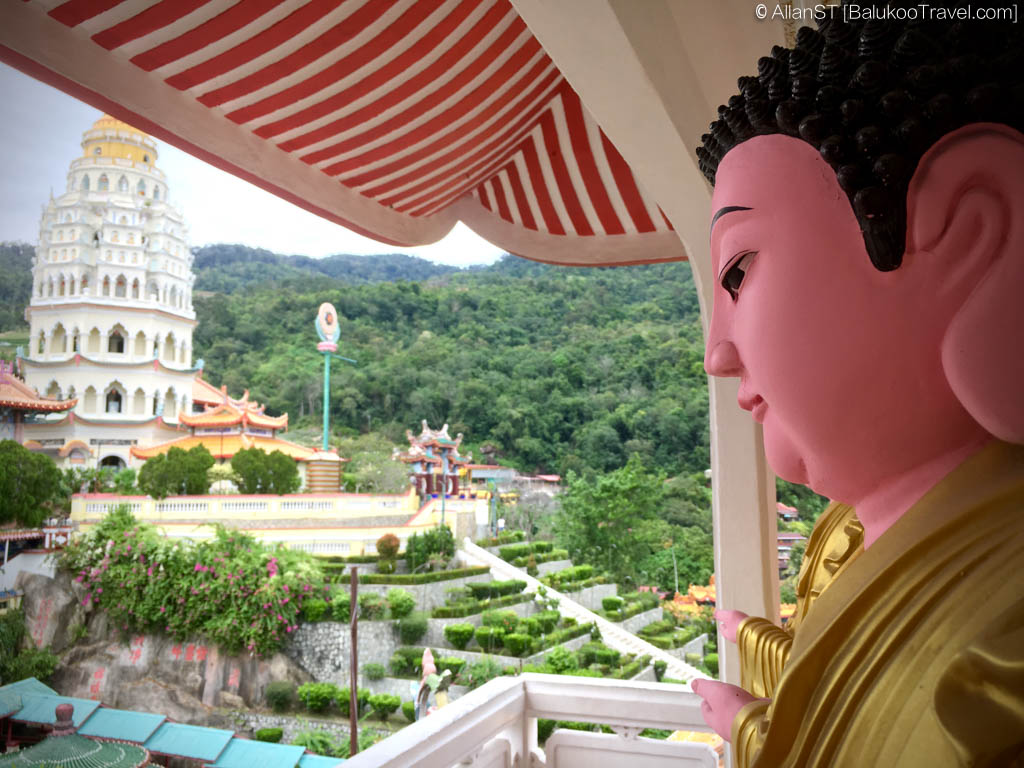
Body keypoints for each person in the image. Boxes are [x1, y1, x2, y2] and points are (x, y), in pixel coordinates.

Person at [690, 7, 1024, 767]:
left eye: (738, 272)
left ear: (970, 231)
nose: (717, 353)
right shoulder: (871, 536)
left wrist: (749, 728)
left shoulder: (1002, 666)